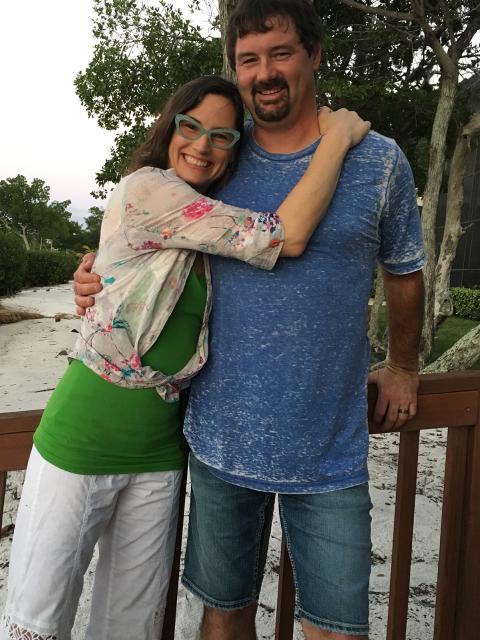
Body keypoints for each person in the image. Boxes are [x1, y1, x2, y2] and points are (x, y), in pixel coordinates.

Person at [75, 2, 425, 639]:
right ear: (234, 69)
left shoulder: (380, 162)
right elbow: (153, 236)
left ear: (315, 54)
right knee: (222, 618)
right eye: (248, 59)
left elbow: (405, 272)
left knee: (337, 629)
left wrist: (403, 366)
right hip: (217, 444)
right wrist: (94, 270)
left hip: (331, 453)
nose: (265, 73)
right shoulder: (220, 162)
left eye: (281, 53)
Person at [0, 74, 369, 640]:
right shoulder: (150, 188)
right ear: (170, 126)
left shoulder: (206, 215)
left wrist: (93, 277)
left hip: (161, 449)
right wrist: (338, 138)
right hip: (84, 431)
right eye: (191, 126)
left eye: (222, 136)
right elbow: (285, 236)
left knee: (131, 627)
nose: (202, 144)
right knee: (36, 621)